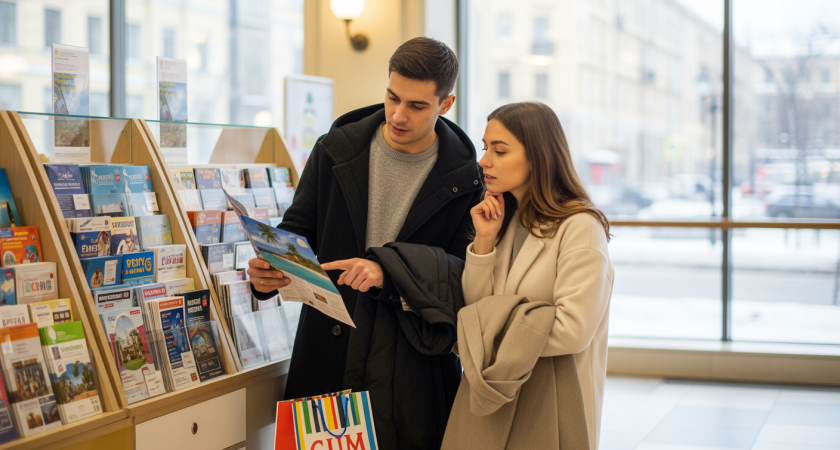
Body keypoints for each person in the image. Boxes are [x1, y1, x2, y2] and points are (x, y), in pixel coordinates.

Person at [248, 37, 482, 449]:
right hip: (327, 349)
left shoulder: (466, 179)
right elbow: (297, 230)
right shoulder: (335, 149)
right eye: (392, 97)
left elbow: (461, 277)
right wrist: (267, 274)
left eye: (417, 105)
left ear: (446, 104)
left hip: (411, 365)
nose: (398, 115)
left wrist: (387, 272)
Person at [442, 102, 614, 450]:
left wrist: (483, 341)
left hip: (551, 403)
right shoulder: (506, 220)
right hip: (496, 395)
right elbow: (477, 309)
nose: (484, 160)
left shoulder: (580, 227)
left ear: (538, 156)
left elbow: (573, 330)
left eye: (500, 150)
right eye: (486, 147)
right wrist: (485, 242)